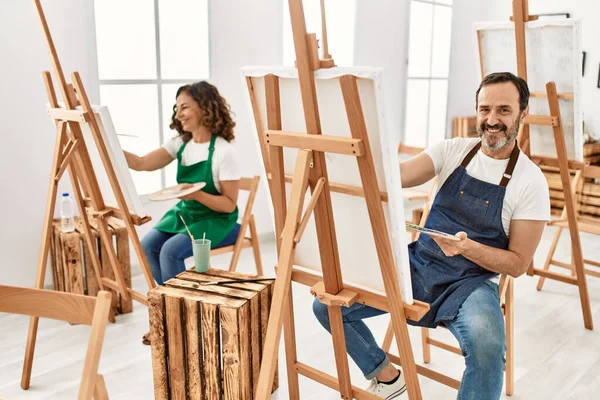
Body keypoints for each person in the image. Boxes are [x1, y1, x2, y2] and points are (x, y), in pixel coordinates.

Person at [312, 72, 550, 399]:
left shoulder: (530, 181)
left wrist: (467, 248)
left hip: (470, 282)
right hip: (419, 264)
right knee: (327, 305)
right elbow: (394, 178)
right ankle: (387, 376)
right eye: (485, 110)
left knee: (488, 349)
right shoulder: (453, 150)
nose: (492, 120)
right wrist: (344, 151)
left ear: (523, 113)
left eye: (504, 111)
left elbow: (518, 264)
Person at [125, 81, 241, 287]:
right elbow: (141, 163)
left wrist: (197, 194)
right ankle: (175, 301)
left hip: (217, 220)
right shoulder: (180, 143)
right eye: (177, 108)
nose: (178, 115)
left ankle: (181, 309)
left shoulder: (224, 151)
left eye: (184, 107)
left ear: (205, 107)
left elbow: (229, 205)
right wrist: (106, 144)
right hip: (186, 214)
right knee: (147, 247)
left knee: (170, 251)